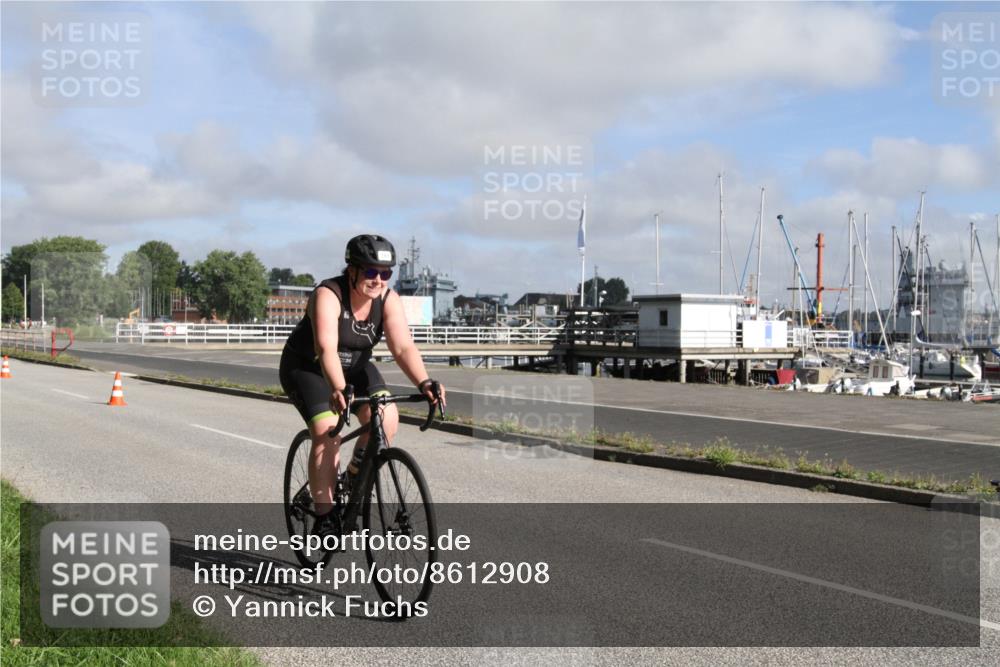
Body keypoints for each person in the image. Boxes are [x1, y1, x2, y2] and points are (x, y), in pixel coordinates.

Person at [279, 234, 446, 529]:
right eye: (370, 272)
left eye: (385, 274)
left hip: (355, 367)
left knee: (387, 418)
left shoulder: (388, 299)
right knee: (327, 430)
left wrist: (424, 383)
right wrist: (338, 388)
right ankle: (325, 516)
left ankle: (353, 476)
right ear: (352, 269)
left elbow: (403, 347)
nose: (378, 280)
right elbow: (326, 348)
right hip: (309, 368)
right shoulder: (328, 295)